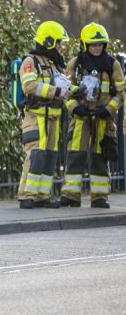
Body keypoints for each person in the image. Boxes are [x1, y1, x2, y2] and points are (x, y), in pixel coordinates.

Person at [60, 22, 125, 208]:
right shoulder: (76, 64)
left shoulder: (113, 65)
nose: (97, 48)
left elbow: (121, 93)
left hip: (104, 119)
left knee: (100, 158)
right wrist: (74, 108)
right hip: (81, 118)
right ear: (85, 45)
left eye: (100, 44)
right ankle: (71, 195)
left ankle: (99, 197)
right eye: (93, 44)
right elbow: (65, 90)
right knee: (75, 155)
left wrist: (109, 109)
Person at [16, 21, 71, 209]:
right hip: (36, 117)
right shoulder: (30, 62)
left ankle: (42, 196)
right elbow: (29, 86)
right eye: (57, 42)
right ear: (48, 41)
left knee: (49, 157)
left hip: (53, 117)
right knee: (35, 155)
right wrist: (55, 92)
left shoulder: (53, 64)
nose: (59, 47)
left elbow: (62, 85)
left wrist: (76, 90)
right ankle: (26, 196)